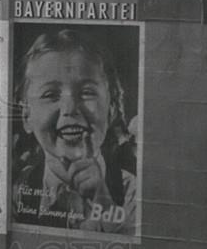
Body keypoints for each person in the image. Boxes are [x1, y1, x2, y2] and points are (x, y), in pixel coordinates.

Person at [12, 29, 136, 234]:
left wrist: (103, 202)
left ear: (112, 108)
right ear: (27, 117)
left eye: (87, 92)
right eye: (51, 94)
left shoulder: (132, 191)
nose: (70, 109)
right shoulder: (17, 190)